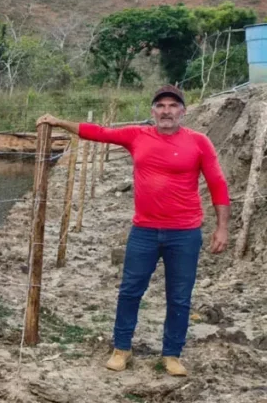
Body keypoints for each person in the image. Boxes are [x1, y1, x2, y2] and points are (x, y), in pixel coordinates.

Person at [37, 84, 230, 377]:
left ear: (183, 111)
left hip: (185, 233)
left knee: (179, 296)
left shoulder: (199, 142)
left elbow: (217, 183)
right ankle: (122, 348)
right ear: (153, 111)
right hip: (144, 231)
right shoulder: (136, 136)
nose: (167, 111)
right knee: (130, 291)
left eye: (173, 106)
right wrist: (58, 121)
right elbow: (98, 132)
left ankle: (172, 354)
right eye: (161, 106)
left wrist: (222, 228)